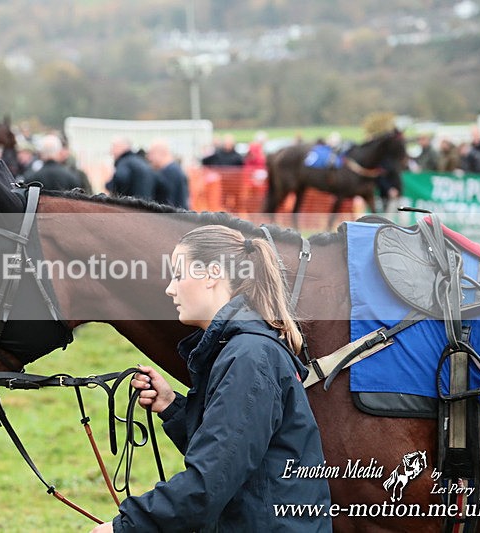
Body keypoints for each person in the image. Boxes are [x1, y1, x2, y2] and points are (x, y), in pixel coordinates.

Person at [93, 225, 331, 532]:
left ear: (212, 274)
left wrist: (126, 527)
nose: (170, 288)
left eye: (178, 274)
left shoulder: (249, 356)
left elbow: (211, 481)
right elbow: (230, 451)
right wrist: (172, 407)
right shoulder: (241, 349)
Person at [106, 137, 158, 201]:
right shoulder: (141, 161)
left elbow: (121, 179)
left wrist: (109, 185)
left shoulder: (124, 162)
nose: (111, 151)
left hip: (132, 206)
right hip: (146, 205)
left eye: (113, 147)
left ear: (121, 147)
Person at [146, 138, 189, 208]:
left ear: (161, 152)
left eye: (151, 153)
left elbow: (169, 202)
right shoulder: (173, 169)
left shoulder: (170, 172)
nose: (148, 157)